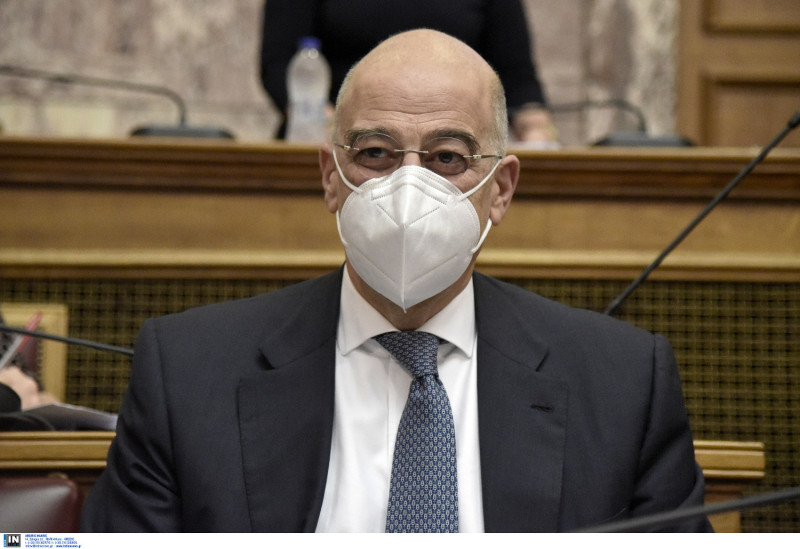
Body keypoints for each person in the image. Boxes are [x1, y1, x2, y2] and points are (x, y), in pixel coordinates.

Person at [81, 29, 710, 532]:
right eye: (375, 153)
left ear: (500, 190)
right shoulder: (189, 373)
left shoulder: (622, 383)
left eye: (448, 158)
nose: (410, 184)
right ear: (331, 178)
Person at [260, 0, 558, 144]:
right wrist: (329, 126)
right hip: (340, 142)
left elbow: (518, 79)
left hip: (453, 149)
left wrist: (536, 131)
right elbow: (278, 64)